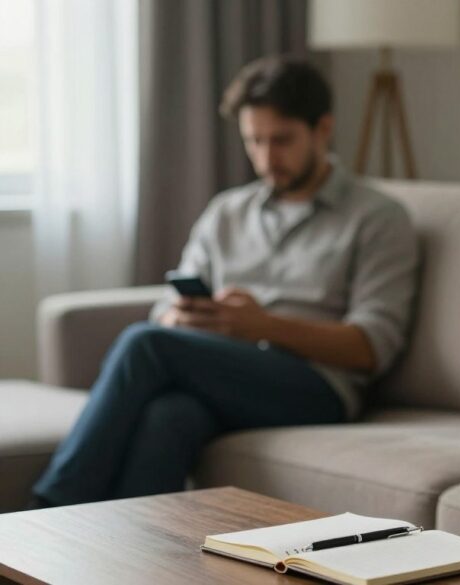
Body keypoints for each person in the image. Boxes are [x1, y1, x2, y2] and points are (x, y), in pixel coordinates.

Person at [31, 56, 418, 507]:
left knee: (145, 344)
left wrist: (263, 326)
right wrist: (182, 317)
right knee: (171, 416)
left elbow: (373, 346)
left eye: (282, 140)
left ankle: (47, 510)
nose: (267, 157)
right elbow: (164, 314)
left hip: (317, 387)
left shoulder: (377, 217)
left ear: (323, 129)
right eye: (254, 141)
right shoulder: (227, 213)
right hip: (224, 370)